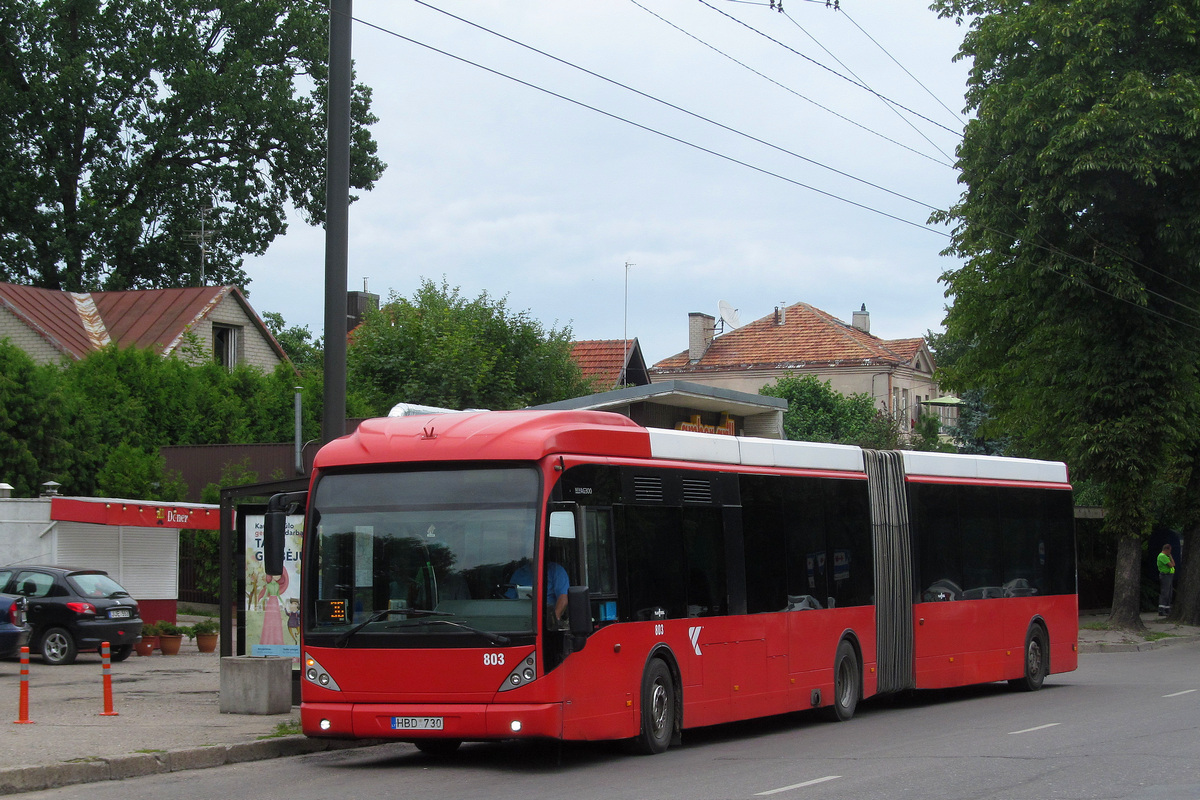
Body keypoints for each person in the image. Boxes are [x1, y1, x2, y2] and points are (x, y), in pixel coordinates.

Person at [1157, 543, 1176, 617]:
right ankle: (1161, 609)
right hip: (1165, 575)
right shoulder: (1162, 556)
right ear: (1166, 549)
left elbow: (1173, 564)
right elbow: (1171, 565)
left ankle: (1167, 608)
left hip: (1169, 575)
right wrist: (1170, 557)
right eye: (1170, 550)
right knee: (1165, 592)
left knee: (1169, 592)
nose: (1170, 552)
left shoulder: (1165, 556)